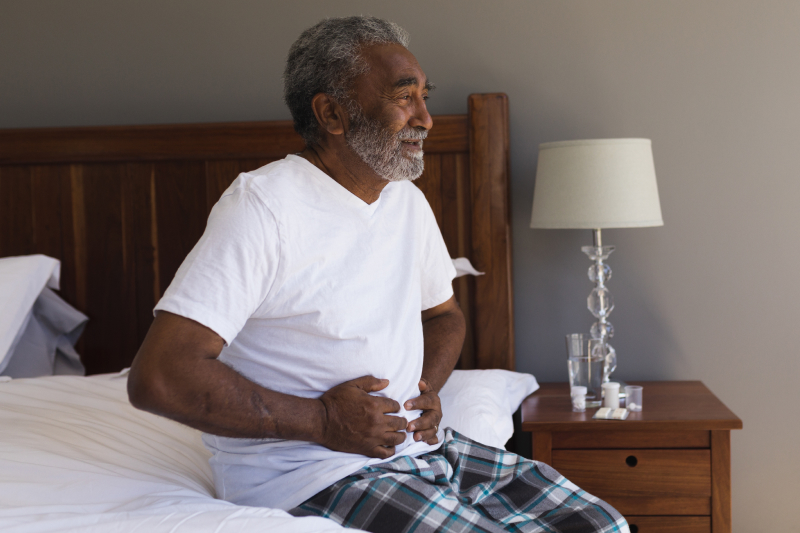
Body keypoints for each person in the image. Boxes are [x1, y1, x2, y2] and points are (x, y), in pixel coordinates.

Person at [128, 16, 629, 533]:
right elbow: (161, 375)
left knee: (601, 525)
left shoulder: (404, 200)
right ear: (333, 114)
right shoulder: (263, 207)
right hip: (315, 475)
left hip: (424, 452)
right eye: (403, 97)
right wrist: (321, 420)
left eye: (424, 96)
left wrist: (427, 388)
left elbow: (443, 316)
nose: (427, 119)